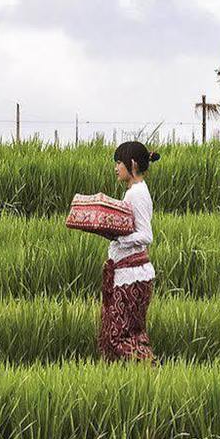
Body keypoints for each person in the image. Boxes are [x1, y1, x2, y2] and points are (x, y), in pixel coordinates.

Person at [99, 140, 158, 362]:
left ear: (132, 164)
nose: (116, 168)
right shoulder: (136, 191)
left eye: (118, 163)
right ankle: (138, 379)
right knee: (130, 335)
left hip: (131, 276)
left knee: (119, 337)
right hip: (132, 275)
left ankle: (151, 373)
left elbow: (146, 235)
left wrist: (118, 238)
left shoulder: (136, 194)